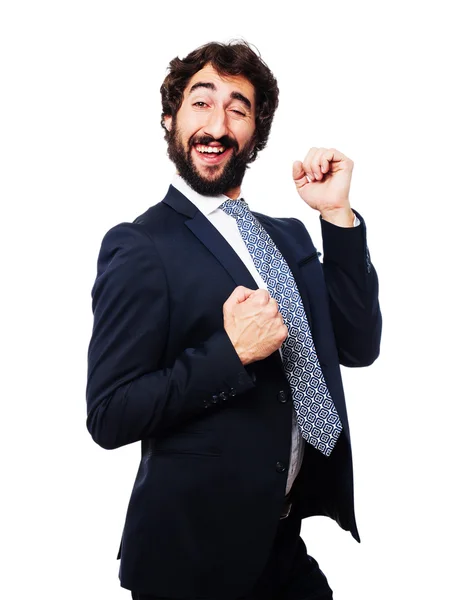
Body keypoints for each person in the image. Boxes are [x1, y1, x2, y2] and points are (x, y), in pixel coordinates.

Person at [86, 40, 382, 600]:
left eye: (238, 109)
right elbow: (109, 414)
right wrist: (230, 351)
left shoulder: (287, 236)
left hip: (281, 543)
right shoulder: (141, 245)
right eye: (201, 103)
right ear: (172, 119)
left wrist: (338, 217)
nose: (216, 124)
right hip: (189, 563)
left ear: (255, 134)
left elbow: (358, 344)